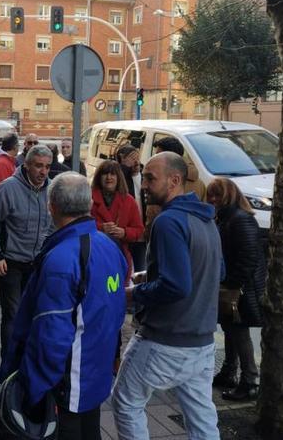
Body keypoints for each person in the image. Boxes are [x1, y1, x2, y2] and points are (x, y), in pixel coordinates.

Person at [0, 172, 127, 438]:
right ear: (89, 204)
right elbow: (115, 309)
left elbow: (51, 333)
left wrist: (34, 388)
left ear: (51, 206)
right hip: (94, 373)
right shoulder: (109, 246)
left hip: (67, 384)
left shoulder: (62, 258)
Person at [112, 152, 223, 440]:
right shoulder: (206, 221)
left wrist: (132, 294)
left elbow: (177, 286)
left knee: (126, 401)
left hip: (164, 340)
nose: (144, 185)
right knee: (202, 420)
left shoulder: (168, 221)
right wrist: (150, 276)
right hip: (202, 344)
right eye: (144, 177)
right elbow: (214, 272)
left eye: (151, 178)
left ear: (175, 180)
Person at [0, 145, 54, 356]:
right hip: (11, 262)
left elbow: (55, 226)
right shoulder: (9, 188)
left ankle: (26, 358)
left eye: (48, 167)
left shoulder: (52, 189)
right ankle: (9, 362)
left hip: (38, 264)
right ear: (27, 165)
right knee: (13, 314)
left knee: (34, 312)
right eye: (39, 166)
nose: (43, 172)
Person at [206, 178, 266, 401]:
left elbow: (248, 258)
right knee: (230, 329)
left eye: (217, 194)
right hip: (235, 286)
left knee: (239, 333)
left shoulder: (240, 219)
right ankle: (229, 372)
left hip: (242, 289)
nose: (212, 199)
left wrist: (230, 283)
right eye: (210, 194)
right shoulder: (226, 217)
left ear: (229, 195)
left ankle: (250, 381)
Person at [142, 136, 206, 244]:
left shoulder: (166, 220)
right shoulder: (200, 183)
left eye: (158, 154)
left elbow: (153, 218)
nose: (144, 186)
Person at [91, 160, 145, 284]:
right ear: (99, 177)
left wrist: (124, 232)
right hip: (94, 256)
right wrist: (101, 228)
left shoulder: (129, 200)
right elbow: (79, 224)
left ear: (118, 177)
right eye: (105, 174)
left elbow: (138, 229)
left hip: (120, 256)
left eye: (113, 174)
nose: (109, 177)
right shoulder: (89, 198)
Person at [116, 144, 146, 272]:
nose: (135, 161)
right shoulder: (117, 173)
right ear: (122, 158)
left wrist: (136, 174)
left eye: (137, 157)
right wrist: (125, 167)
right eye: (132, 158)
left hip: (140, 230)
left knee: (140, 266)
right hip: (123, 230)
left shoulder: (142, 173)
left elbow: (143, 193)